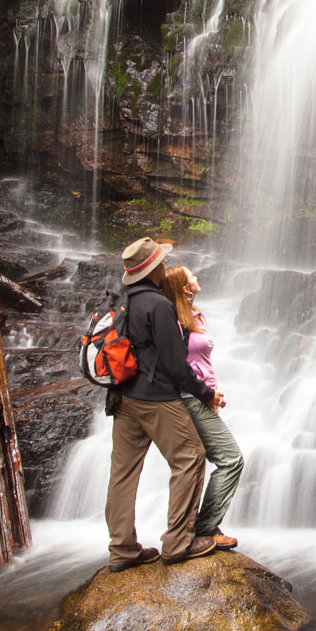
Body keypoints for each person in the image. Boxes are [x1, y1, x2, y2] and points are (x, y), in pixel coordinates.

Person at [104, 236, 218, 570]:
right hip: (155, 400)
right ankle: (178, 542)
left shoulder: (122, 302)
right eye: (162, 262)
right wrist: (205, 393)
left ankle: (122, 550)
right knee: (191, 456)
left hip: (122, 397)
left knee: (122, 473)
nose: (166, 265)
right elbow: (175, 363)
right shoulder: (158, 305)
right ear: (153, 269)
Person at [159, 265, 243, 551]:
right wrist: (205, 395)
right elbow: (178, 366)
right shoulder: (175, 320)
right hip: (190, 399)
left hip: (201, 397)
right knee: (231, 459)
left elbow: (199, 363)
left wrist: (212, 395)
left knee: (203, 462)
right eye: (192, 276)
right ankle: (204, 528)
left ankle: (197, 527)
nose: (197, 278)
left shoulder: (191, 316)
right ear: (184, 288)